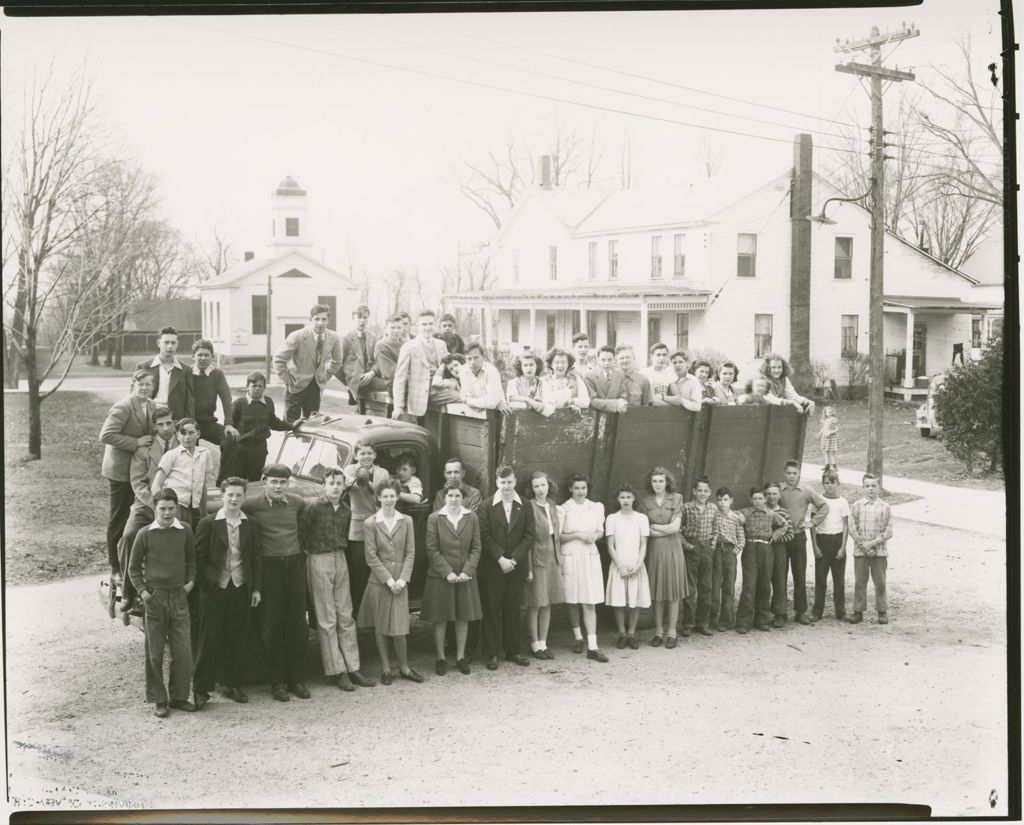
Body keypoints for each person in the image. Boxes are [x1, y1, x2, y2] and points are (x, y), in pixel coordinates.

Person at [299, 468, 377, 692]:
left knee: (345, 615)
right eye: (331, 482)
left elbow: (343, 536)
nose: (335, 487)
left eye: (339, 483)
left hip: (339, 559)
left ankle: (353, 667)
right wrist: (310, 558)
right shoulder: (313, 507)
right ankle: (337, 670)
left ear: (345, 485)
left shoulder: (345, 510)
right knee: (327, 618)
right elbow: (301, 535)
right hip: (318, 559)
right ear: (324, 484)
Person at [242, 463, 310, 702]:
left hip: (293, 566)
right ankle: (277, 681)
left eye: (283, 482)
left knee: (296, 625)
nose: (278, 486)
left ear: (288, 484)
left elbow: (303, 524)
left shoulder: (297, 502)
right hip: (268, 568)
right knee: (271, 626)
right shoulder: (251, 504)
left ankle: (297, 679)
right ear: (264, 482)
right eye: (274, 481)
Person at [192, 477, 263, 708]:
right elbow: (198, 559)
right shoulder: (208, 523)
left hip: (241, 588)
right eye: (230, 494)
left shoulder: (251, 523)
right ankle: (201, 689)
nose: (234, 499)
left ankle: (232, 683)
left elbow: (255, 559)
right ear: (222, 496)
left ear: (244, 497)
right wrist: (207, 584)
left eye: (239, 495)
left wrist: (256, 589)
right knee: (209, 638)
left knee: (237, 637)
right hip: (214, 590)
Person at [128, 488, 196, 717]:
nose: (167, 513)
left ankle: (179, 697)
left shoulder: (185, 530)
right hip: (155, 598)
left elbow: (191, 561)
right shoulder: (145, 534)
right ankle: (159, 699)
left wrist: (190, 583)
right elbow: (133, 568)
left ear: (176, 508)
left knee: (183, 650)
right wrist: (144, 593)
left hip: (179, 596)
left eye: (171, 508)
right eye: (162, 509)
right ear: (155, 510)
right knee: (154, 652)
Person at [358, 479, 422, 684]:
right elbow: (371, 557)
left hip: (400, 584)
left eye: (392, 496)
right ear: (378, 498)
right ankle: (386, 668)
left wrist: (402, 580)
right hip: (380, 583)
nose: (388, 500)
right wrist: (388, 580)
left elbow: (411, 552)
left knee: (400, 630)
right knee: (381, 628)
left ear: (397, 497)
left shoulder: (407, 521)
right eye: (384, 496)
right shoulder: (370, 523)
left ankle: (404, 667)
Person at [118, 406, 178, 619]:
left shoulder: (184, 444)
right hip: (146, 504)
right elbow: (138, 483)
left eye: (169, 423)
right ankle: (127, 591)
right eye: (160, 424)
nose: (165, 428)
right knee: (128, 536)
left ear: (174, 422)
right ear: (154, 426)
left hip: (176, 506)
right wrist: (156, 506)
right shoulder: (144, 449)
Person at [100, 368, 156, 584]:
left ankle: (136, 563)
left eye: (148, 384)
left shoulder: (151, 405)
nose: (144, 388)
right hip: (120, 471)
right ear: (133, 385)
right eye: (140, 384)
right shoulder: (123, 406)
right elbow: (106, 435)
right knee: (119, 517)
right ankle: (115, 567)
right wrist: (135, 443)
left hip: (140, 470)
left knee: (138, 516)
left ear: (153, 387)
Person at [476, 465, 535, 670]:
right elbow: (484, 536)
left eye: (509, 482)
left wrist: (514, 559)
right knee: (491, 610)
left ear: (515, 481)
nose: (506, 486)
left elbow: (529, 535)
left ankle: (513, 651)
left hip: (515, 567)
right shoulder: (486, 506)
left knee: (512, 609)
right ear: (496, 483)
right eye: (502, 483)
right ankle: (492, 653)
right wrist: (500, 558)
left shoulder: (525, 505)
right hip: (493, 567)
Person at [422, 483, 482, 676]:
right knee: (440, 618)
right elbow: (431, 549)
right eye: (450, 496)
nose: (454, 499)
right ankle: (440, 657)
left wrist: (467, 571)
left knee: (463, 616)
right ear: (444, 497)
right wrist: (447, 571)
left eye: (457, 496)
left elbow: (476, 547)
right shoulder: (434, 518)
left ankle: (460, 657)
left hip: (465, 576)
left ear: (463, 498)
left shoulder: (471, 517)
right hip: (441, 576)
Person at [559, 472, 609, 662]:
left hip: (589, 555)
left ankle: (593, 646)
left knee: (589, 601)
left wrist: (595, 536)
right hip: (570, 554)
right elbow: (560, 536)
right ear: (570, 489)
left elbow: (601, 531)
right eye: (577, 488)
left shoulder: (596, 507)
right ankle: (578, 637)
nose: (580, 491)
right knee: (572, 599)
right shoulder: (564, 509)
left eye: (584, 488)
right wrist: (578, 534)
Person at [638, 467, 690, 649]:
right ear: (650, 483)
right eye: (654, 481)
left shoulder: (677, 498)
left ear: (667, 482)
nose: (658, 484)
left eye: (661, 481)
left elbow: (675, 529)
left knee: (673, 593)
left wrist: (656, 528)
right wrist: (664, 528)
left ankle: (672, 632)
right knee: (658, 593)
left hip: (673, 550)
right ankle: (658, 632)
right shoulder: (645, 502)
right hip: (655, 551)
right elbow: (646, 531)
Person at [776, 460, 830, 626]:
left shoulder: (806, 490)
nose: (791, 476)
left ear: (799, 473)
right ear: (784, 474)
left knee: (799, 575)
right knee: (780, 575)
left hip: (798, 537)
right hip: (782, 539)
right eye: (789, 473)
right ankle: (780, 613)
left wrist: (811, 523)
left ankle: (800, 611)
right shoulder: (779, 490)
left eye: (794, 473)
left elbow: (824, 506)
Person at [272, 303, 344, 422]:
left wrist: (324, 377)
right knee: (291, 425)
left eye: (324, 319)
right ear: (311, 320)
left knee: (312, 425)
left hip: (315, 388)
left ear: (328, 321)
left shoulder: (334, 338)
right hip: (295, 387)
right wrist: (288, 380)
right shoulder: (298, 336)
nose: (320, 323)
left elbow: (337, 361)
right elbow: (278, 358)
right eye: (316, 319)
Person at [343, 443, 390, 615]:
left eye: (369, 453)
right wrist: (363, 476)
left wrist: (368, 480)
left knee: (377, 569)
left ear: (375, 455)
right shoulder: (349, 470)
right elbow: (351, 485)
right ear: (356, 456)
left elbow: (382, 493)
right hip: (359, 528)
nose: (366, 457)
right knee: (359, 571)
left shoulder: (383, 472)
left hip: (380, 525)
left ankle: (376, 608)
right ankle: (359, 609)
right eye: (362, 453)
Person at [734, 487, 789, 634]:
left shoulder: (771, 514)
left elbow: (785, 524)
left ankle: (762, 620)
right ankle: (743, 622)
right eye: (755, 499)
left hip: (766, 549)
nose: (758, 501)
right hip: (750, 548)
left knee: (764, 585)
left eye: (760, 498)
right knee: (749, 586)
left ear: (765, 500)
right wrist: (738, 517)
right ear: (751, 500)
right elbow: (732, 514)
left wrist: (775, 535)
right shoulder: (745, 512)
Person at [222, 372, 295, 483]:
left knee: (254, 482)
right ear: (247, 387)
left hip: (259, 450)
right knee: (236, 482)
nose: (257, 389)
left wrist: (292, 426)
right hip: (240, 449)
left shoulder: (269, 402)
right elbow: (229, 426)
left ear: (264, 388)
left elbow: (274, 423)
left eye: (260, 386)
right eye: (254, 386)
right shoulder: (238, 404)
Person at [604, 484, 652, 650]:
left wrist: (638, 565)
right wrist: (620, 567)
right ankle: (622, 633)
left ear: (634, 498)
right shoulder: (612, 518)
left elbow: (644, 544)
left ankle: (632, 633)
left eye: (628, 497)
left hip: (636, 565)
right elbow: (610, 545)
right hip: (619, 565)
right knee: (619, 601)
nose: (625, 500)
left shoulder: (641, 519)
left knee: (634, 601)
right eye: (622, 497)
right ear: (618, 499)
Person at [523, 471, 565, 660]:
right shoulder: (529, 507)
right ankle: (534, 645)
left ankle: (543, 643)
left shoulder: (553, 505)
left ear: (549, 486)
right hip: (537, 558)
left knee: (547, 603)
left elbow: (556, 536)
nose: (540, 489)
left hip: (552, 559)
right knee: (535, 604)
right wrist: (529, 568)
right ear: (532, 489)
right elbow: (528, 540)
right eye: (536, 486)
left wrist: (560, 560)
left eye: (543, 485)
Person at [150, 418, 212, 530]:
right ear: (178, 435)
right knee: (178, 537)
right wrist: (164, 508)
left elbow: (202, 486)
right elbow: (156, 486)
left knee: (195, 539)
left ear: (198, 433)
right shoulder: (171, 455)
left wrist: (204, 513)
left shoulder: (205, 454)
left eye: (191, 433)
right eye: (183, 433)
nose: (187, 437)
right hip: (177, 506)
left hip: (195, 507)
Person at [847, 473, 893, 625]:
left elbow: (888, 531)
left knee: (880, 582)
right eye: (867, 486)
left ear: (879, 487)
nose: (871, 489)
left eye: (874, 486)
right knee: (860, 581)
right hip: (861, 551)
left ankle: (882, 611)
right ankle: (858, 611)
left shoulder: (885, 507)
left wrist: (872, 544)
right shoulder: (856, 506)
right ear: (863, 488)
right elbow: (852, 528)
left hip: (879, 552)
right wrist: (864, 546)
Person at [679, 476, 719, 637]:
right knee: (689, 588)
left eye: (705, 491)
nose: (702, 493)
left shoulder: (713, 508)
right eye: (699, 490)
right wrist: (688, 546)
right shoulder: (686, 508)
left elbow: (716, 529)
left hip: (707, 549)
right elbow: (679, 530)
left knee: (706, 587)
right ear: (694, 491)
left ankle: (702, 623)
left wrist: (712, 546)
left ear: (709, 493)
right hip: (691, 548)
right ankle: (688, 624)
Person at [189, 339, 239, 469]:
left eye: (207, 355)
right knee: (191, 457)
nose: (203, 358)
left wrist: (228, 424)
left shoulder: (217, 374)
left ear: (212, 357)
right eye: (199, 355)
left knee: (231, 439)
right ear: (193, 356)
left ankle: (224, 479)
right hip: (190, 423)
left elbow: (226, 399)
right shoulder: (186, 374)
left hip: (209, 423)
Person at [391, 309, 449, 421]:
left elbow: (450, 366)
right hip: (420, 394)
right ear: (417, 326)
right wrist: (398, 406)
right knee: (461, 398)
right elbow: (400, 378)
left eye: (431, 324)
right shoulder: (409, 347)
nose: (428, 327)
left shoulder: (441, 344)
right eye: (424, 324)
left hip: (440, 388)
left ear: (435, 324)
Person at [810, 470, 849, 622]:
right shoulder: (818, 501)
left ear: (837, 483)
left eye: (833, 482)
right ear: (822, 484)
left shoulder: (843, 502)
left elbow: (845, 526)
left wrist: (843, 547)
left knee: (839, 579)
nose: (830, 486)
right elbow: (813, 525)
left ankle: (841, 611)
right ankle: (817, 611)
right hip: (822, 541)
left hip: (838, 540)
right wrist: (815, 546)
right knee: (820, 578)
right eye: (827, 483)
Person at [136, 326, 194, 422]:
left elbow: (190, 401)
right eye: (166, 342)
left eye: (173, 343)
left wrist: (188, 422)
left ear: (177, 344)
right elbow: (135, 396)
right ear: (159, 343)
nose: (170, 346)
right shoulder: (143, 367)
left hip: (175, 419)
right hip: (150, 417)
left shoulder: (185, 370)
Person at [710, 487, 745, 631]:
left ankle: (726, 620)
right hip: (716, 550)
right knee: (714, 585)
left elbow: (741, 539)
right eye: (719, 500)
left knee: (729, 587)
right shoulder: (714, 515)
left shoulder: (736, 517)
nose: (722, 503)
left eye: (725, 500)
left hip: (730, 551)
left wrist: (734, 552)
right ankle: (712, 619)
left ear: (731, 501)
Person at [763, 480, 796, 628]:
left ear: (779, 494)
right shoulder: (760, 510)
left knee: (779, 581)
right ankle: (761, 613)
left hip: (779, 549)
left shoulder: (783, 512)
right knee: (763, 581)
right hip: (763, 550)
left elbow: (791, 534)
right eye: (768, 494)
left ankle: (780, 614)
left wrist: (776, 538)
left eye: (774, 493)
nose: (771, 497)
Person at [341, 305, 380, 412]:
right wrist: (348, 383)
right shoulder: (346, 338)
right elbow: (336, 364)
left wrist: (372, 373)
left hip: (370, 377)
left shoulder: (372, 337)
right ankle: (353, 393)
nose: (362, 321)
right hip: (356, 380)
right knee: (390, 385)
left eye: (365, 317)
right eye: (359, 317)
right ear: (353, 318)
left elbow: (377, 360)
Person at [459, 343, 512, 414]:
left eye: (476, 358)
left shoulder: (491, 370)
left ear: (483, 357)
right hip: (473, 415)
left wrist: (467, 401)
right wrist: (486, 402)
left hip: (495, 414)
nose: (472, 362)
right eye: (469, 359)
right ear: (465, 359)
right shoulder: (463, 371)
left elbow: (491, 403)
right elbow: (468, 395)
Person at [540, 348, 590, 413]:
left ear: (568, 364)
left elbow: (586, 401)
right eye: (557, 362)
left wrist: (571, 401)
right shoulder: (544, 381)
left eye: (564, 362)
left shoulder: (576, 379)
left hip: (573, 420)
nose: (560, 365)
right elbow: (546, 404)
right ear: (551, 364)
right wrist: (567, 406)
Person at [583, 345, 628, 413]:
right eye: (603, 360)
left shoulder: (620, 374)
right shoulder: (589, 376)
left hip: (615, 415)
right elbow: (592, 401)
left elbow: (622, 396)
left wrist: (621, 403)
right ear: (598, 360)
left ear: (614, 359)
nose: (606, 363)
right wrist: (615, 404)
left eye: (610, 359)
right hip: (597, 415)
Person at [371, 314, 406, 397]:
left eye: (399, 327)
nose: (396, 330)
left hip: (405, 379)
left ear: (403, 328)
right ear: (386, 328)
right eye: (392, 328)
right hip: (391, 382)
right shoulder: (382, 345)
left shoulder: (406, 344)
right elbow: (390, 372)